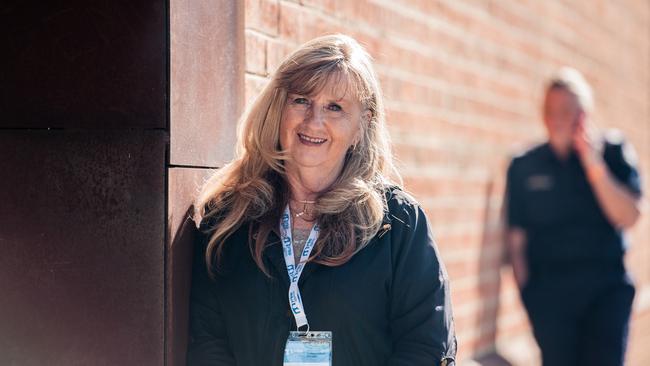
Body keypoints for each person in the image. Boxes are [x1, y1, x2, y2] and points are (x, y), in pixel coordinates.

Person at [186, 34, 457, 366]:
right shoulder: (230, 218)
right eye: (301, 100)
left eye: (335, 107)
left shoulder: (398, 225)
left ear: (362, 124)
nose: (313, 121)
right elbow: (207, 339)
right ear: (279, 107)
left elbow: (425, 347)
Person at [505, 67, 643, 366]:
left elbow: (629, 215)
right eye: (550, 110)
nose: (557, 118)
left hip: (605, 296)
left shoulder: (613, 152)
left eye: (567, 110)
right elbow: (516, 240)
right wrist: (530, 297)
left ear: (585, 114)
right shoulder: (523, 165)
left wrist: (592, 161)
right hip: (551, 300)